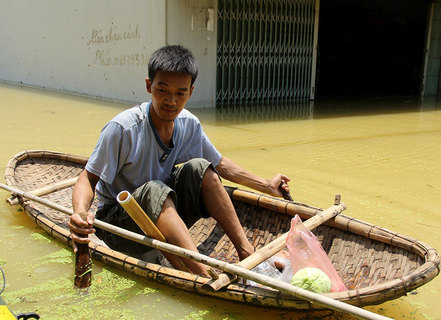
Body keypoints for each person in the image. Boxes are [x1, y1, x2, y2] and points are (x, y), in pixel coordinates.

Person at [69, 45, 290, 277]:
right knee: (156, 190)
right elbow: (88, 177)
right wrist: (80, 214)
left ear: (190, 92)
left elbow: (220, 164)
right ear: (148, 86)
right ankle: (202, 274)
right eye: (162, 90)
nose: (171, 101)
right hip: (120, 225)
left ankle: (247, 253)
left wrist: (266, 185)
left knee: (201, 169)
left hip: (164, 212)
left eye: (180, 93)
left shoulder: (189, 124)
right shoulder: (123, 129)